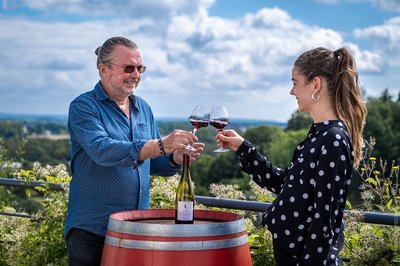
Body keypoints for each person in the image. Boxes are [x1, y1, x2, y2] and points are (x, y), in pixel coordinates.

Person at [217, 47, 367, 265]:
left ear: (315, 84)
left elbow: (324, 220)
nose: (291, 91)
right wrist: (243, 148)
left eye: (295, 83)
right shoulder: (320, 135)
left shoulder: (333, 139)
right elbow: (285, 184)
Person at [64, 36, 204, 265]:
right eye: (129, 67)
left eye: (140, 68)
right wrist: (161, 145)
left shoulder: (143, 108)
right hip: (92, 232)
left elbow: (153, 161)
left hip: (135, 230)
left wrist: (175, 158)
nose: (136, 74)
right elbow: (103, 150)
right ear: (103, 69)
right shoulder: (83, 107)